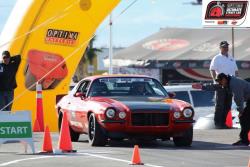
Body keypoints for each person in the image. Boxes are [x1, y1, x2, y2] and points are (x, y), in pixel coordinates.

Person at [192, 73, 250, 146]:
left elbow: (238, 98)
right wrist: (202, 87)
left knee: (244, 118)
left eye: (220, 81)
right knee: (245, 119)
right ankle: (244, 140)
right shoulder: (227, 82)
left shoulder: (234, 84)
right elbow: (216, 87)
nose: (220, 84)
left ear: (224, 79)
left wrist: (241, 111)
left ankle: (244, 140)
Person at [209, 41, 238, 129]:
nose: (226, 48)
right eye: (224, 47)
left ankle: (224, 123)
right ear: (220, 48)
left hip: (230, 84)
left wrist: (236, 81)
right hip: (220, 84)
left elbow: (236, 71)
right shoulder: (217, 58)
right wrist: (216, 81)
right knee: (219, 105)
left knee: (228, 105)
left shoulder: (231, 58)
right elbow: (212, 69)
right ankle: (218, 124)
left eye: (227, 47)